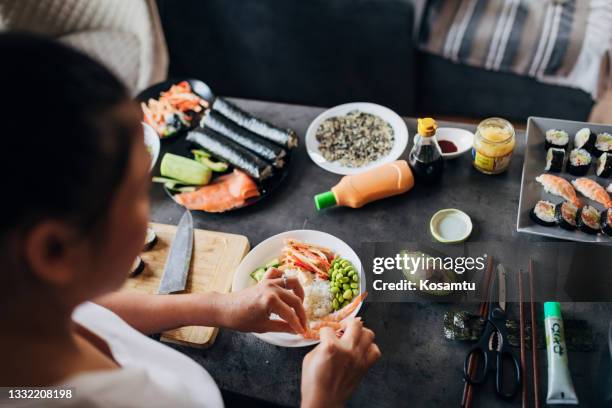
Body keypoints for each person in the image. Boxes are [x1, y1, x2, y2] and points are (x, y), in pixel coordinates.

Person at [0, 33, 380, 408]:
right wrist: (322, 399)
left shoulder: (29, 310)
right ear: (53, 251)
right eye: (135, 194)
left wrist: (219, 307)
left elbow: (96, 312)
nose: (153, 215)